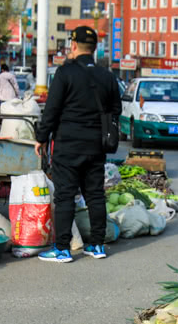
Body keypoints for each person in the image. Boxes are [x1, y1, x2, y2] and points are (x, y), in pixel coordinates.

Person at [33, 25, 121, 263]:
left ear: (73, 46)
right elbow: (116, 110)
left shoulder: (65, 73)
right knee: (94, 194)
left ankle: (62, 249)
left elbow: (51, 109)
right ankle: (97, 245)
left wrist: (41, 137)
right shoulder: (107, 76)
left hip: (68, 145)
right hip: (96, 146)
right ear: (94, 49)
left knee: (65, 195)